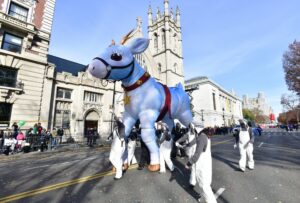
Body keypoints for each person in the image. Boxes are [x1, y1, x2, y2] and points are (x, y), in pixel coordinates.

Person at [185, 127, 217, 203]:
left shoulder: (201, 137)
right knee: (205, 184)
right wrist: (187, 145)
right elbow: (194, 141)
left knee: (204, 185)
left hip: (202, 164)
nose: (194, 130)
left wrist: (189, 163)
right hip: (207, 163)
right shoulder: (205, 135)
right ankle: (203, 199)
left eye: (194, 129)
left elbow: (197, 154)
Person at [109, 114, 126, 180]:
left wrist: (116, 118)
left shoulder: (122, 127)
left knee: (118, 159)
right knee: (111, 158)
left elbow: (121, 125)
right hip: (114, 147)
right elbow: (112, 134)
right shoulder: (115, 129)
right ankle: (121, 168)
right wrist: (109, 137)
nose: (115, 123)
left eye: (116, 121)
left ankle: (119, 174)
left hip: (120, 146)